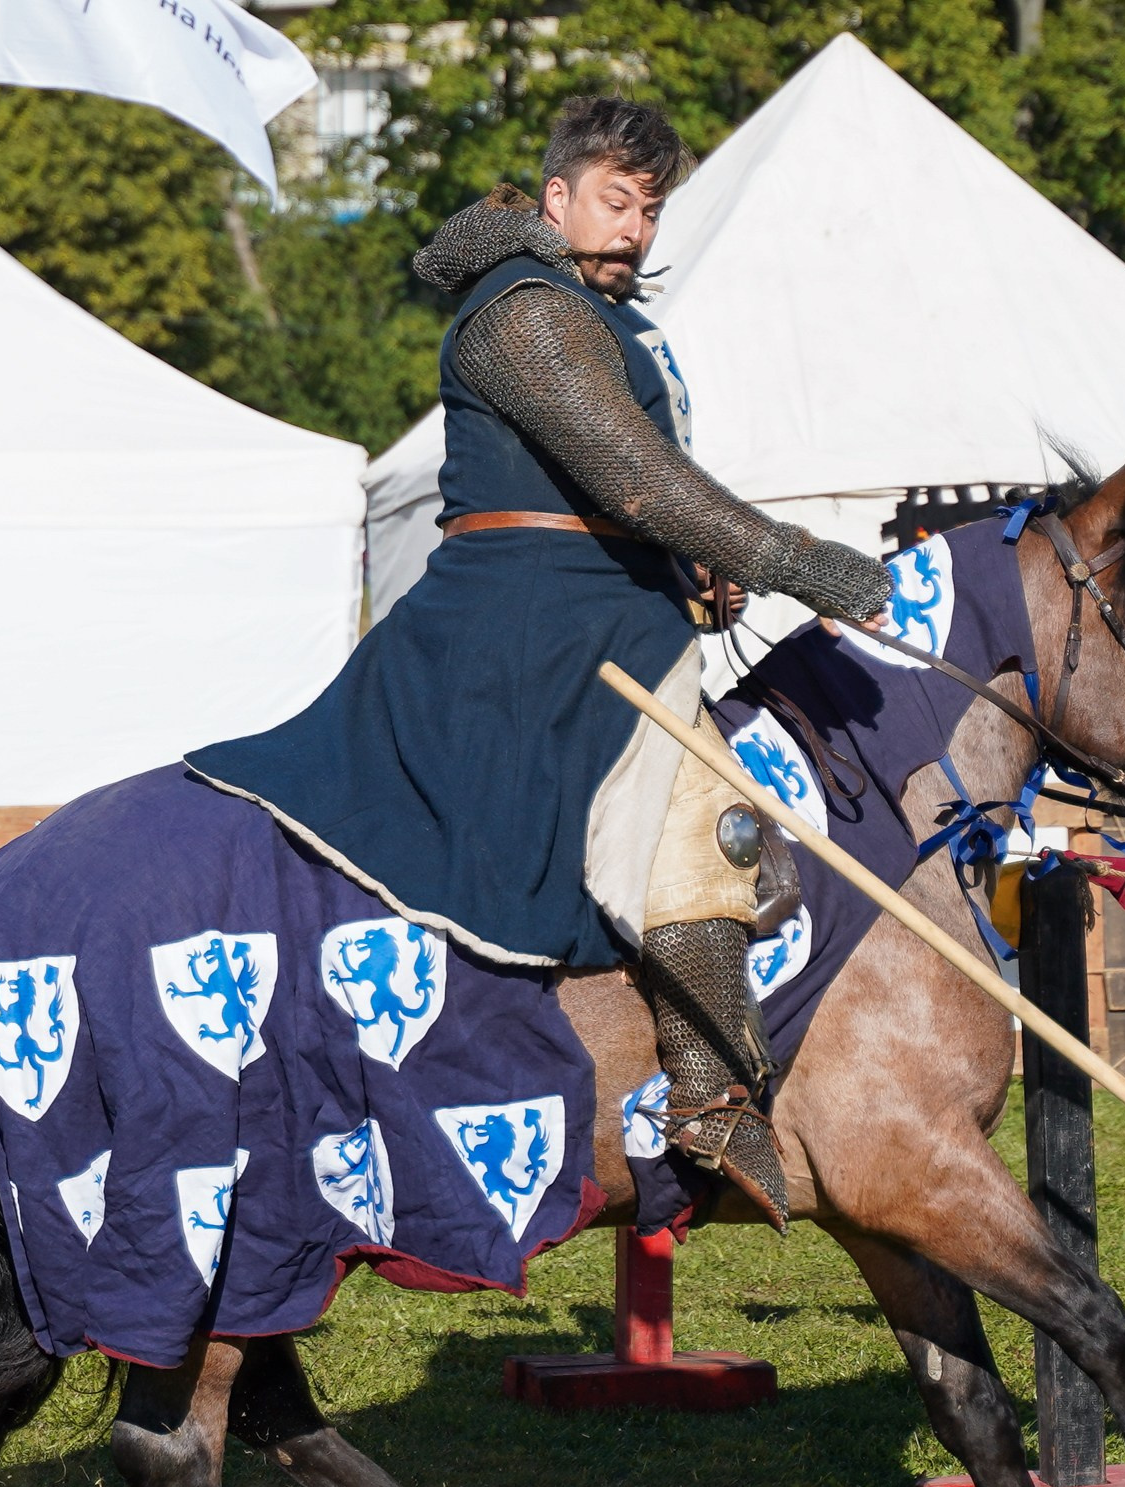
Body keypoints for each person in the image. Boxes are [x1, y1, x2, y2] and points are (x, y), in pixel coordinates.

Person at [187, 97, 892, 1227]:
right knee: (708, 822)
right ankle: (708, 1097)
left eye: (651, 209)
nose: (637, 229)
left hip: (599, 613)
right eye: (616, 201)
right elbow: (639, 483)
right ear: (555, 197)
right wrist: (804, 561)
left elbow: (631, 500)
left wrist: (690, 571)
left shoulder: (585, 310)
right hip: (529, 632)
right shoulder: (526, 310)